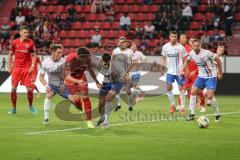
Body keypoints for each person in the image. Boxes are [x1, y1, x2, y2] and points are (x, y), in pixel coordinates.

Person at [182, 39, 222, 122]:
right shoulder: (192, 53)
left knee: (210, 96)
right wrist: (185, 70)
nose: (196, 47)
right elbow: (187, 61)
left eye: (197, 46)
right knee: (192, 92)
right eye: (194, 46)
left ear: (200, 46)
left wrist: (220, 72)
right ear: (192, 46)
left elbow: (218, 60)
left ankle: (217, 114)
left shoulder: (207, 53)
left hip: (211, 76)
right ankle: (192, 114)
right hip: (201, 76)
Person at [63, 47, 102, 128]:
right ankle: (80, 108)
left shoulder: (88, 59)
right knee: (76, 100)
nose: (88, 59)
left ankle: (89, 121)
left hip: (81, 77)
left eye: (88, 57)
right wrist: (77, 82)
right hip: (71, 79)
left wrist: (97, 82)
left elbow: (90, 70)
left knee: (85, 98)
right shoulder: (70, 59)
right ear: (79, 57)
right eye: (86, 58)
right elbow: (67, 76)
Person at [39, 44, 79, 125]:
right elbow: (41, 77)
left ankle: (84, 113)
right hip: (52, 85)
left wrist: (64, 84)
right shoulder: (45, 63)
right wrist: (46, 86)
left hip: (62, 85)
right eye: (58, 52)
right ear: (53, 52)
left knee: (74, 101)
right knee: (48, 96)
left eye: (61, 53)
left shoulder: (64, 61)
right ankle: (46, 118)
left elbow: (67, 75)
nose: (60, 55)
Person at [94, 52, 130, 128]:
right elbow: (90, 68)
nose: (106, 63)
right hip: (106, 82)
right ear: (102, 60)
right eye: (104, 62)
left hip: (118, 82)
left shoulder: (117, 66)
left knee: (108, 99)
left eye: (107, 62)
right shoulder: (99, 64)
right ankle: (102, 117)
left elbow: (127, 77)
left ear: (110, 60)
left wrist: (127, 86)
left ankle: (106, 121)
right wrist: (96, 82)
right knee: (101, 103)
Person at [8, 26, 36, 114]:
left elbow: (34, 55)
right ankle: (14, 108)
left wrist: (32, 65)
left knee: (30, 90)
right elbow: (10, 55)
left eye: (27, 33)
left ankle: (30, 105)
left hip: (26, 68)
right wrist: (9, 66)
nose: (26, 34)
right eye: (25, 32)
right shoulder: (14, 42)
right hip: (17, 68)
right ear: (20, 32)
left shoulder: (30, 43)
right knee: (13, 89)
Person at [161, 31, 187, 113]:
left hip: (179, 72)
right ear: (169, 37)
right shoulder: (165, 47)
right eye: (172, 36)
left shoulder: (181, 47)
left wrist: (183, 68)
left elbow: (186, 58)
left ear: (177, 37)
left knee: (181, 89)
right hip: (170, 71)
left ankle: (182, 107)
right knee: (168, 87)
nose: (174, 38)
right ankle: (172, 105)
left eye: (175, 36)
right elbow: (164, 58)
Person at [179, 35, 206, 112]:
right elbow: (185, 61)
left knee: (198, 89)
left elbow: (202, 63)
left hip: (196, 73)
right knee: (187, 89)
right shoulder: (186, 49)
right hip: (188, 73)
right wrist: (185, 70)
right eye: (190, 41)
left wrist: (195, 71)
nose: (191, 42)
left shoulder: (199, 51)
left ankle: (203, 106)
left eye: (193, 41)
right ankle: (194, 104)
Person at [112, 37, 132, 111]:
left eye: (124, 42)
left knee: (128, 90)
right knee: (115, 90)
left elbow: (130, 64)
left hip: (125, 72)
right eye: (122, 42)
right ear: (119, 44)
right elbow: (112, 61)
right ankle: (118, 105)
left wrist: (126, 73)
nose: (124, 44)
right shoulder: (115, 51)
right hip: (117, 73)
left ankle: (130, 104)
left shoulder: (129, 51)